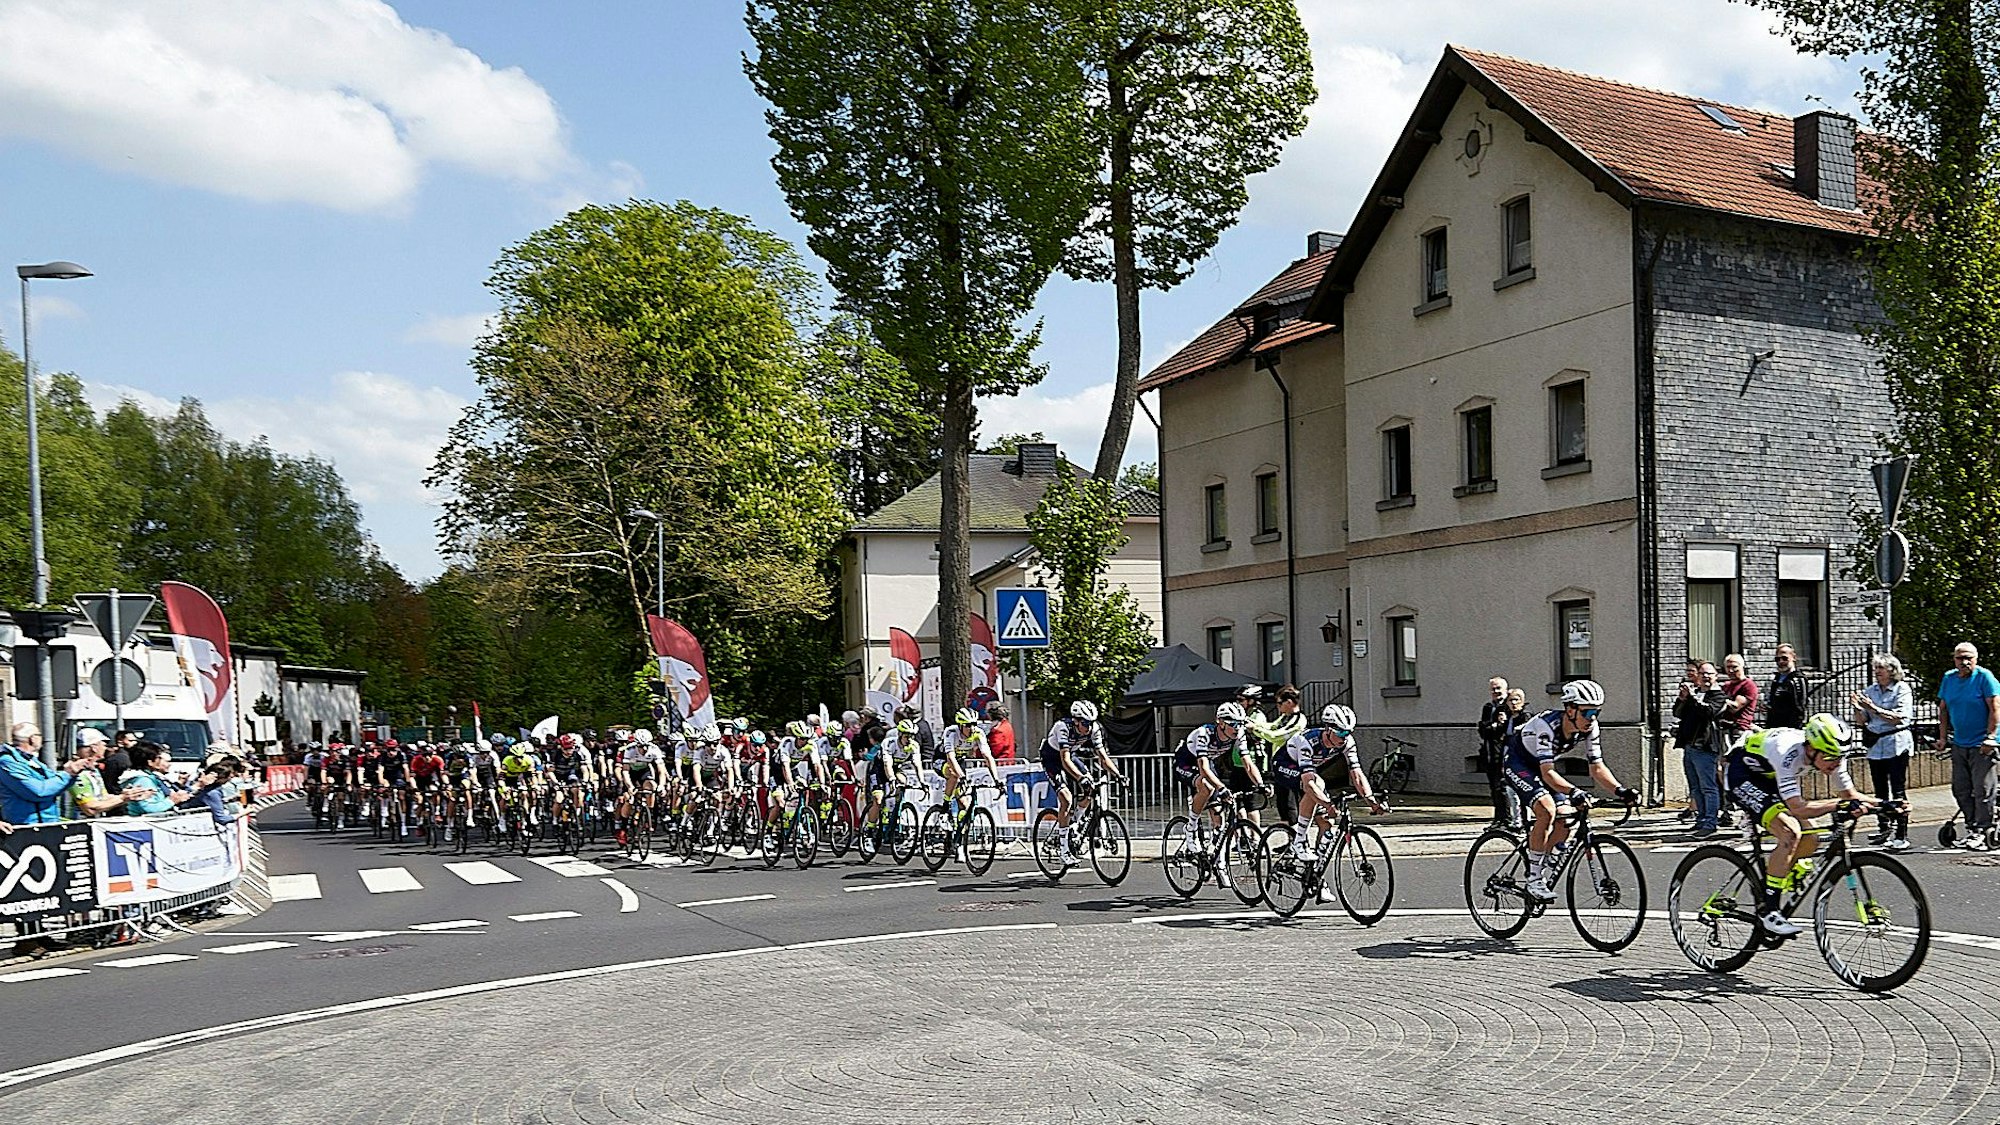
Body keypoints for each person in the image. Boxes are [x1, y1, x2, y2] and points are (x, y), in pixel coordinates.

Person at [1726, 714, 1876, 936]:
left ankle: (1774, 875)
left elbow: (1850, 794)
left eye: (1839, 758)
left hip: (1770, 777)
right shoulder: (1786, 752)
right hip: (1742, 775)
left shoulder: (1831, 754)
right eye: (1829, 757)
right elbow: (1798, 808)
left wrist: (1888, 804)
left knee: (1811, 838)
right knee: (1790, 832)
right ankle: (1770, 911)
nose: (1835, 764)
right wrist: (1838, 805)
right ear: (1811, 748)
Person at [1499, 679, 1639, 902]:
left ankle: (1547, 858)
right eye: (1587, 712)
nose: (1591, 717)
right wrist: (1575, 791)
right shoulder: (1547, 727)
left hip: (1544, 768)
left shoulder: (1590, 727)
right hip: (1519, 763)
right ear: (1570, 709)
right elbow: (1547, 773)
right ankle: (1534, 878)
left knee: (1565, 815)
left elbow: (1597, 767)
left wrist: (1621, 791)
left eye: (1597, 711)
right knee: (1546, 810)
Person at [1272, 704, 1386, 865]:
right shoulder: (1307, 741)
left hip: (1310, 771)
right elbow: (1309, 784)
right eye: (1341, 732)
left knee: (1326, 823)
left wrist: (1370, 800)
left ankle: (1315, 878)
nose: (1344, 737)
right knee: (1316, 784)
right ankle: (1299, 840)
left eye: (1348, 732)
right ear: (1328, 729)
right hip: (1285, 765)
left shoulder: (1346, 742)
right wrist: (1328, 804)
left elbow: (1357, 774)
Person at [1038, 701, 1123, 865]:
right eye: (1085, 723)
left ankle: (1074, 823)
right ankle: (1064, 851)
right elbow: (1064, 760)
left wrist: (1118, 775)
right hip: (1053, 759)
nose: (1089, 727)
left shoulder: (1094, 728)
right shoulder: (1062, 727)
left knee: (1091, 786)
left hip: (1071, 756)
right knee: (1066, 798)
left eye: (1091, 723)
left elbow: (1103, 758)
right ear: (1076, 721)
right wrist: (1080, 778)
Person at [1934, 641, 2000, 850]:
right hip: (1960, 743)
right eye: (1959, 658)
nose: (1964, 662)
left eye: (1968, 658)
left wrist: (1991, 737)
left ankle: (1983, 828)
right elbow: (1943, 709)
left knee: (1983, 788)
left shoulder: (1984, 677)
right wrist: (1943, 738)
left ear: (1976, 659)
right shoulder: (1949, 678)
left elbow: (1995, 708)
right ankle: (1973, 827)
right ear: (1954, 660)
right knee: (1961, 788)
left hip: (1982, 743)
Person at [1853, 654, 1914, 851]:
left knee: (1897, 789)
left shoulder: (1901, 689)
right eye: (1876, 667)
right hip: (1875, 746)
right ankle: (1883, 828)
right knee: (1879, 790)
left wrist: (1873, 708)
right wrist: (1857, 708)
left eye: (1881, 668)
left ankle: (1901, 833)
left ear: (1892, 670)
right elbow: (1862, 721)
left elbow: (1899, 718)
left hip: (1896, 743)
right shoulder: (1870, 691)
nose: (1877, 671)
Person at [1673, 660, 1728, 837]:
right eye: (1702, 673)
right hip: (1689, 745)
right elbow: (1678, 713)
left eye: (1709, 674)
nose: (1705, 677)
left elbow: (1708, 713)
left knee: (1708, 786)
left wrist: (1692, 699)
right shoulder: (1695, 694)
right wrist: (1682, 700)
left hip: (1705, 746)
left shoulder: (1718, 696)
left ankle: (1710, 822)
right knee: (1695, 787)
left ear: (1715, 676)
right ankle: (1700, 819)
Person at [2, 723, 86, 825]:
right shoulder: (7, 762)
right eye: (39, 735)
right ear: (33, 739)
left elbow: (55, 787)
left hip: (47, 823)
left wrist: (72, 772)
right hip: (26, 828)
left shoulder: (34, 761)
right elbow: (39, 792)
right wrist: (67, 774)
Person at [1476, 677, 1515, 828]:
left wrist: (1494, 727)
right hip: (1489, 753)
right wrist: (1493, 726)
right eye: (1493, 689)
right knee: (1494, 788)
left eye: (1498, 688)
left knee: (1503, 787)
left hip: (1503, 753)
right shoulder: (1488, 707)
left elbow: (1503, 730)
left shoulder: (1508, 706)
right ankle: (1498, 818)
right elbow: (1482, 730)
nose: (1495, 692)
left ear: (1505, 690)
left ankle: (1507, 819)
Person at [1718, 654, 1760, 752]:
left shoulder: (1748, 685)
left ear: (1742, 666)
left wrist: (1719, 701)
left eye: (1734, 667)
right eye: (1728, 667)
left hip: (1739, 730)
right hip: (1724, 729)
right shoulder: (1726, 686)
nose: (1731, 671)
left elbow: (1735, 707)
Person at [1764, 644, 1808, 729]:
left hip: (1788, 730)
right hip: (1773, 728)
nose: (1781, 662)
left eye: (1784, 658)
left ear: (1793, 657)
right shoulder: (1776, 679)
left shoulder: (1797, 679)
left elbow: (1800, 709)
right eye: (1777, 659)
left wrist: (1794, 729)